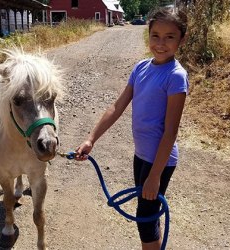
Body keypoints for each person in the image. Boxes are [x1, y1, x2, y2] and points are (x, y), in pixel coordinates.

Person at [75, 7, 189, 250]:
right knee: (146, 214)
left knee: (146, 220)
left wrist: (155, 176)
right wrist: (91, 139)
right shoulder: (140, 68)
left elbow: (170, 132)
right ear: (148, 36)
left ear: (182, 39)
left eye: (170, 37)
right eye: (155, 35)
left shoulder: (176, 76)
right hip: (142, 155)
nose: (161, 43)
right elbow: (116, 106)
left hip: (160, 160)